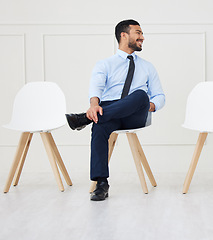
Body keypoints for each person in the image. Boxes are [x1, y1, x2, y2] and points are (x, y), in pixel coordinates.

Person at [66, 19, 165, 201]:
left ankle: (84, 119)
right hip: (108, 113)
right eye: (138, 33)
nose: (142, 37)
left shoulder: (147, 67)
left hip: (135, 114)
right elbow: (95, 90)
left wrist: (147, 105)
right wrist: (94, 106)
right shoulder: (104, 64)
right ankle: (101, 184)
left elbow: (159, 96)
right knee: (99, 125)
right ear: (124, 35)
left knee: (141, 95)